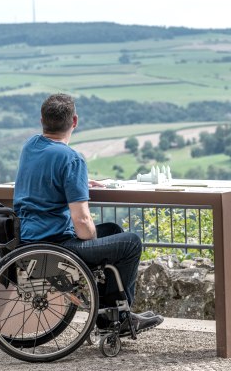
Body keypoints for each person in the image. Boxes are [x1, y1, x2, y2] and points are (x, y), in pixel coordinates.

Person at [13, 93, 163, 334]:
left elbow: (46, 175)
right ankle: (119, 318)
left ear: (42, 119)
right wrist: (92, 242)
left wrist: (79, 182)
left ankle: (107, 313)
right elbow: (82, 222)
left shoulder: (30, 146)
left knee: (113, 231)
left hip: (29, 241)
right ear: (74, 121)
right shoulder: (71, 159)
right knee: (131, 243)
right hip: (56, 246)